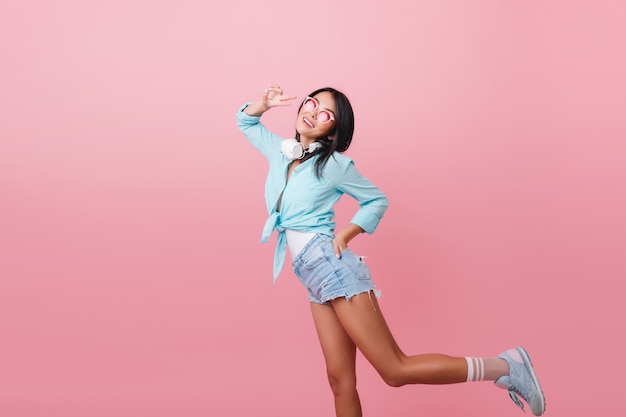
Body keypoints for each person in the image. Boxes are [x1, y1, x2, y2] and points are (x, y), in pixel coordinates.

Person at [236, 84, 546, 417]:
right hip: (312, 277)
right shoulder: (281, 152)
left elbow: (375, 199)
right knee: (339, 380)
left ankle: (505, 367)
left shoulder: (335, 166)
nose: (312, 113)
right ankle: (506, 367)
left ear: (333, 131)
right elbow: (246, 122)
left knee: (394, 370)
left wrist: (347, 234)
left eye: (324, 113)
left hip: (331, 268)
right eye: (311, 104)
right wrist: (263, 104)